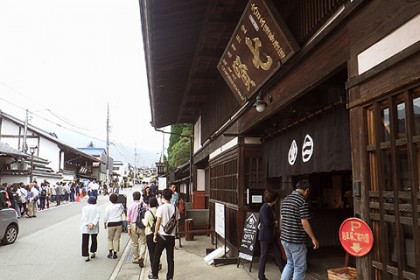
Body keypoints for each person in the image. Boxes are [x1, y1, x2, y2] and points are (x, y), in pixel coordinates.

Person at [280, 179, 319, 280]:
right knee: (299, 268)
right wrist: (313, 238)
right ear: (307, 190)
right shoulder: (302, 201)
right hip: (296, 240)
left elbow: (282, 217)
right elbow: (304, 222)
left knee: (289, 264)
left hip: (284, 238)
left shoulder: (286, 199)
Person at [148, 188, 180, 280]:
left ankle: (154, 275)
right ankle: (169, 277)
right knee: (170, 258)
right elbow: (177, 222)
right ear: (171, 197)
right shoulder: (175, 208)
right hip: (171, 237)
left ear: (162, 197)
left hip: (161, 236)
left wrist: (155, 234)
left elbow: (158, 222)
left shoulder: (161, 208)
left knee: (156, 256)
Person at [258, 189, 284, 280]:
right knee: (264, 256)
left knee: (278, 255)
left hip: (271, 236)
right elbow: (266, 222)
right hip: (265, 236)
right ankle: (261, 276)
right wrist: (275, 223)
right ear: (273, 199)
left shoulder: (269, 208)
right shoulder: (265, 208)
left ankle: (285, 275)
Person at [126, 191, 147, 267]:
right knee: (143, 243)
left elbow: (128, 218)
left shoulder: (130, 206)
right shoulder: (144, 205)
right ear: (140, 197)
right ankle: (142, 256)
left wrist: (128, 227)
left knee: (134, 243)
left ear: (133, 197)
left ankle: (135, 257)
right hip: (142, 225)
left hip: (133, 224)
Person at [103, 193, 124, 259]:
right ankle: (115, 253)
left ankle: (110, 252)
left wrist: (104, 223)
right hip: (119, 223)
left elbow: (105, 217)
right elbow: (123, 210)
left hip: (111, 224)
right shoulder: (120, 206)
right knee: (117, 239)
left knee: (110, 238)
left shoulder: (108, 207)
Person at [142, 197, 160, 273]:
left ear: (149, 203)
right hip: (158, 233)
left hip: (150, 233)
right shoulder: (159, 210)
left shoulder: (148, 212)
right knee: (157, 251)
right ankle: (158, 265)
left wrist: (142, 220)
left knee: (151, 252)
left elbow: (146, 223)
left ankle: (153, 268)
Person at [80, 196, 100, 261]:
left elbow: (84, 216)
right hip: (94, 226)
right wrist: (93, 223)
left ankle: (86, 255)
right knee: (94, 239)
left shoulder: (84, 208)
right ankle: (93, 252)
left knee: (85, 241)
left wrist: (87, 224)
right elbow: (97, 217)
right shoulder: (97, 208)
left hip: (86, 227)